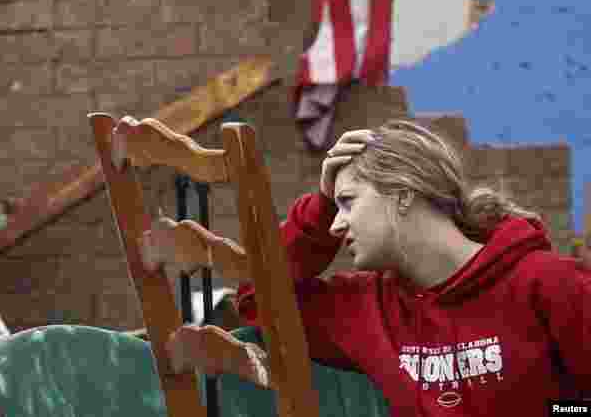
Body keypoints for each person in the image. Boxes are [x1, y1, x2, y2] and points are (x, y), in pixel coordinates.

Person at [142, 119, 591, 415]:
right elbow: (258, 299)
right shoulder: (364, 308)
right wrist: (314, 212)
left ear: (403, 193)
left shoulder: (548, 283)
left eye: (347, 203)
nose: (336, 223)